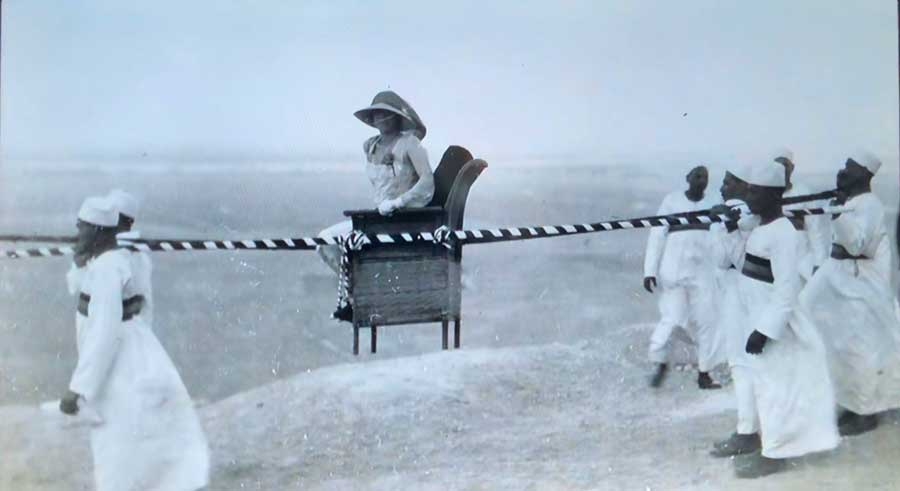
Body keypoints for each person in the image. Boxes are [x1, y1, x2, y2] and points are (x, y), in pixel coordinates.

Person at [59, 196, 209, 490]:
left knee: (118, 431)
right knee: (133, 426)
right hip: (130, 350)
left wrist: (79, 387)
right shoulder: (108, 261)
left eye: (82, 227)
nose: (77, 234)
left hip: (119, 356)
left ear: (99, 231)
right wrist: (80, 263)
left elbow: (104, 330)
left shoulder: (109, 267)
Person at [730, 158, 839, 479]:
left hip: (773, 324)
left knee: (774, 387)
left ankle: (774, 453)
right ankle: (773, 445)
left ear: (773, 195)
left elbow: (787, 290)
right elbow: (745, 264)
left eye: (755, 192)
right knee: (765, 384)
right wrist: (730, 228)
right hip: (755, 314)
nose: (748, 197)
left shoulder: (784, 234)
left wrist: (763, 331)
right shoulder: (760, 227)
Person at [798, 152, 900, 436]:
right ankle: (848, 403)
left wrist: (837, 213)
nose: (841, 172)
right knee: (831, 338)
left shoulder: (870, 205)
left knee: (860, 347)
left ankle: (866, 412)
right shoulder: (852, 202)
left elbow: (856, 245)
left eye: (849, 168)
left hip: (861, 283)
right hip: (839, 276)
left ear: (864, 175)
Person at [317, 91, 434, 321]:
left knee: (341, 242)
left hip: (402, 220)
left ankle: (365, 298)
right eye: (377, 114)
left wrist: (399, 202)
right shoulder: (370, 146)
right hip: (377, 219)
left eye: (386, 114)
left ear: (397, 117)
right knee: (325, 241)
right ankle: (357, 295)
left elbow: (427, 182)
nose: (381, 118)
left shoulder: (410, 144)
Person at [643, 165, 725, 389]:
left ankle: (704, 372)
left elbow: (721, 235)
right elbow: (657, 235)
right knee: (673, 317)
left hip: (703, 271)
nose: (701, 180)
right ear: (688, 178)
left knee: (708, 320)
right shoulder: (672, 201)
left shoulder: (713, 202)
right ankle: (659, 361)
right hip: (674, 271)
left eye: (705, 177)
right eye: (697, 176)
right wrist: (649, 271)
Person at [707, 169, 763, 457]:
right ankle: (752, 427)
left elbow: (726, 260)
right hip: (740, 293)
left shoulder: (741, 215)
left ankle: (747, 432)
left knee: (741, 362)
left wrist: (725, 226)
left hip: (743, 294)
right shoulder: (745, 214)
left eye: (728, 182)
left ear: (745, 184)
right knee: (748, 362)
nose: (722, 187)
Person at [773, 149, 831, 279]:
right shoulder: (763, 194)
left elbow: (817, 231)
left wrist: (819, 264)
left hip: (799, 258)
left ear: (792, 168)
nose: (782, 169)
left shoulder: (804, 193)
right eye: (778, 165)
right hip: (771, 259)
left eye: (785, 165)